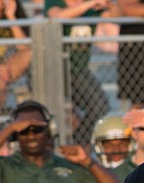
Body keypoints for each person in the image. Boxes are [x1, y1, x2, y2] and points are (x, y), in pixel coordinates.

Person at [44, 0, 111, 146]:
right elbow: (56, 17)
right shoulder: (55, 2)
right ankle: (70, 144)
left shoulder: (94, 7)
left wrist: (109, 4)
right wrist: (90, 4)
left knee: (101, 107)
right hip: (55, 68)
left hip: (79, 69)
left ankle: (79, 143)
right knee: (61, 113)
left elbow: (117, 14)